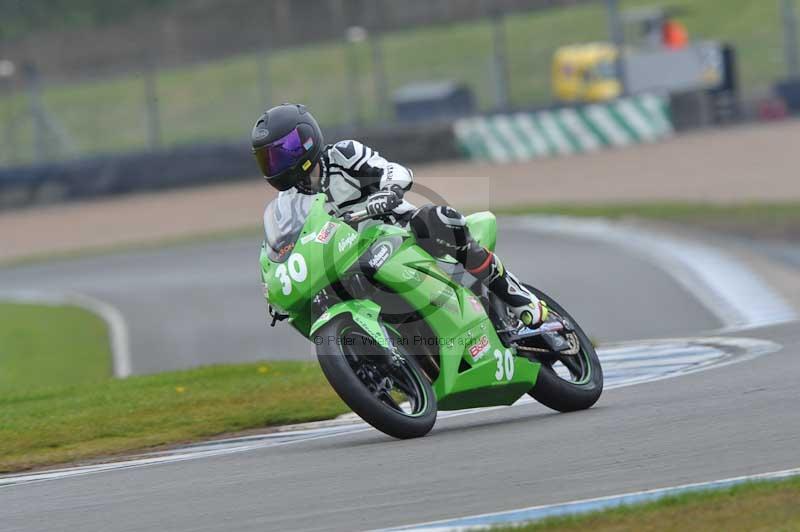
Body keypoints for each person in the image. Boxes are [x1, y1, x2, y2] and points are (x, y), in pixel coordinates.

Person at [251, 103, 548, 328]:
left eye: (283, 151)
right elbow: (285, 247)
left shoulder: (343, 155)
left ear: (306, 139)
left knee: (437, 219)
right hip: (349, 262)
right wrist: (277, 284)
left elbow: (394, 170)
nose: (276, 163)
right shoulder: (289, 203)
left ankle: (514, 294)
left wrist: (388, 192)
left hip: (398, 231)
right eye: (268, 158)